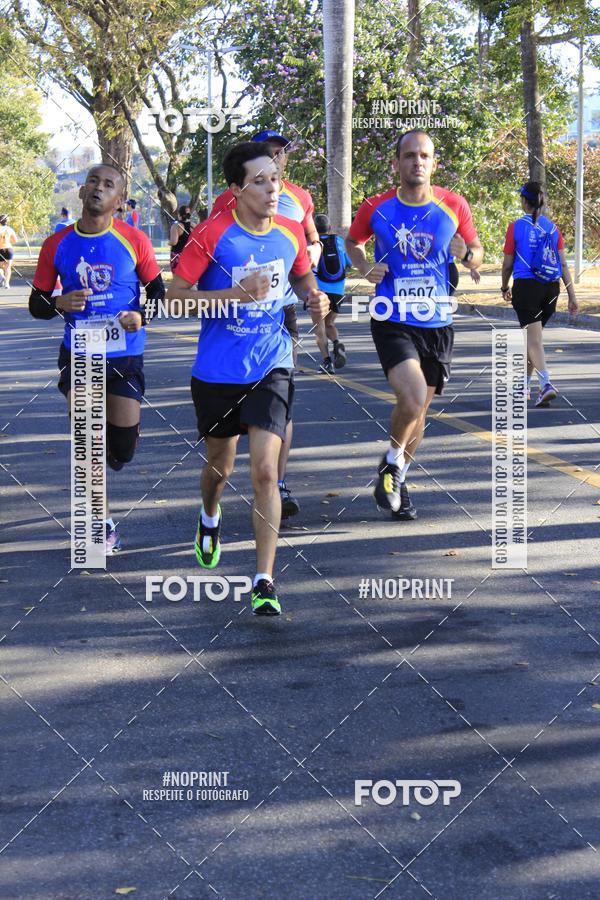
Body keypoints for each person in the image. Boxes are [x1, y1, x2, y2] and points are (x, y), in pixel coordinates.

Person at [167, 141, 329, 615]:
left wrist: (315, 299)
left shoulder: (289, 233)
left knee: (264, 471)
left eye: (274, 178)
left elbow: (302, 280)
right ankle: (210, 515)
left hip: (270, 365)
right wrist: (235, 295)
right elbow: (176, 298)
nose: (271, 188)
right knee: (220, 469)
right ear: (236, 190)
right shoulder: (212, 235)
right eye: (258, 181)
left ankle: (263, 579)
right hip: (217, 371)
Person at [346, 129, 483, 520]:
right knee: (412, 396)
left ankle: (397, 476)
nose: (417, 162)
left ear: (433, 163)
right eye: (409, 156)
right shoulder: (376, 207)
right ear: (396, 163)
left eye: (424, 156)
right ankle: (392, 464)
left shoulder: (453, 205)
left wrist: (468, 253)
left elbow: (477, 251)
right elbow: (353, 241)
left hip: (437, 320)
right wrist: (365, 265)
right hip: (392, 317)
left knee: (419, 411)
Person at [29, 164, 164, 553]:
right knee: (88, 440)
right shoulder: (57, 245)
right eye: (93, 181)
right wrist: (57, 302)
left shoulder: (133, 239)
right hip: (80, 352)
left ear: (119, 199)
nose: (98, 188)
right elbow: (36, 303)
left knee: (120, 451)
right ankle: (99, 524)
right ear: (81, 190)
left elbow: (158, 293)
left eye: (108, 185)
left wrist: (142, 316)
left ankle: (120, 446)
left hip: (124, 355)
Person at [211, 130, 324, 519]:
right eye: (270, 154)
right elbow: (213, 250)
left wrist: (312, 287)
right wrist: (233, 293)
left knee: (280, 403)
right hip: (229, 326)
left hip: (279, 312)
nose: (277, 162)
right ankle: (212, 509)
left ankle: (275, 480)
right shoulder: (228, 199)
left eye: (281, 156)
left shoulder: (300, 200)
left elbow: (309, 245)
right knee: (221, 460)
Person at [501, 181, 578, 406]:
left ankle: (545, 384)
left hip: (527, 288)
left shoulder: (515, 227)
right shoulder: (553, 228)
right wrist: (572, 295)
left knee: (533, 340)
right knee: (532, 339)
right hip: (551, 289)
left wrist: (505, 287)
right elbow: (563, 264)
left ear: (524, 201)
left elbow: (507, 265)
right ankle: (523, 387)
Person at [313, 213, 352, 373]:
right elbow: (348, 264)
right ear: (329, 228)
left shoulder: (313, 244)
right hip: (338, 290)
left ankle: (327, 362)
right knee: (329, 323)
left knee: (319, 326)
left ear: (314, 230)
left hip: (319, 291)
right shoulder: (339, 241)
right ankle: (337, 344)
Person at [169, 205, 192, 272]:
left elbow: (174, 242)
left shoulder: (176, 226)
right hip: (190, 255)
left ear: (179, 214)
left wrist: (168, 242)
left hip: (177, 255)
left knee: (177, 278)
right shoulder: (194, 226)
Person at [0, 215, 18, 289]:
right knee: (8, 267)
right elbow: (15, 240)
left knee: (1, 267)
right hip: (9, 249)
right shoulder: (10, 229)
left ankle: (2, 277)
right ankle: (7, 284)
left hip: (0, 249)